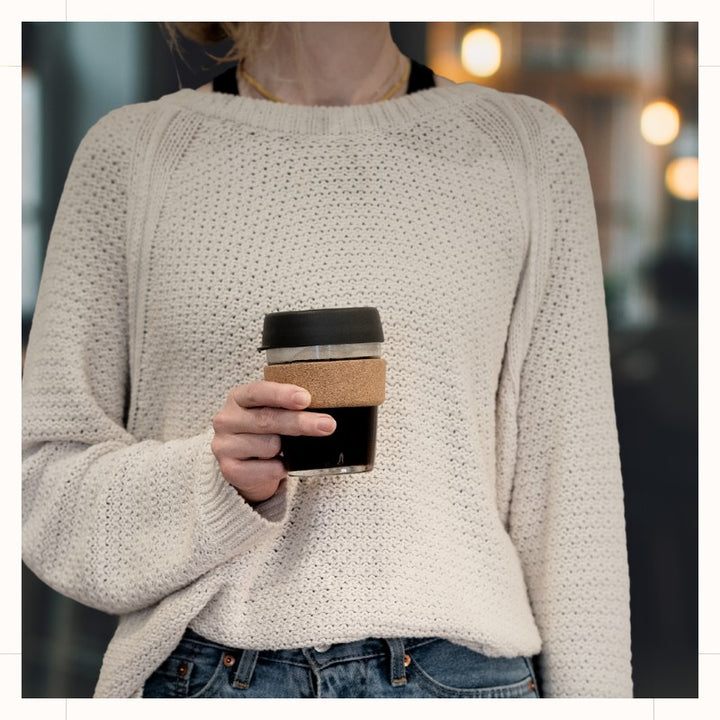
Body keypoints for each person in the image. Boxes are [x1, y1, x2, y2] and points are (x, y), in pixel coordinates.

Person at [21, 22, 633, 698]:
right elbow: (42, 489)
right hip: (210, 673)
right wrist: (214, 480)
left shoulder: (524, 149)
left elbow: (574, 503)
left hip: (464, 679)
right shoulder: (133, 154)